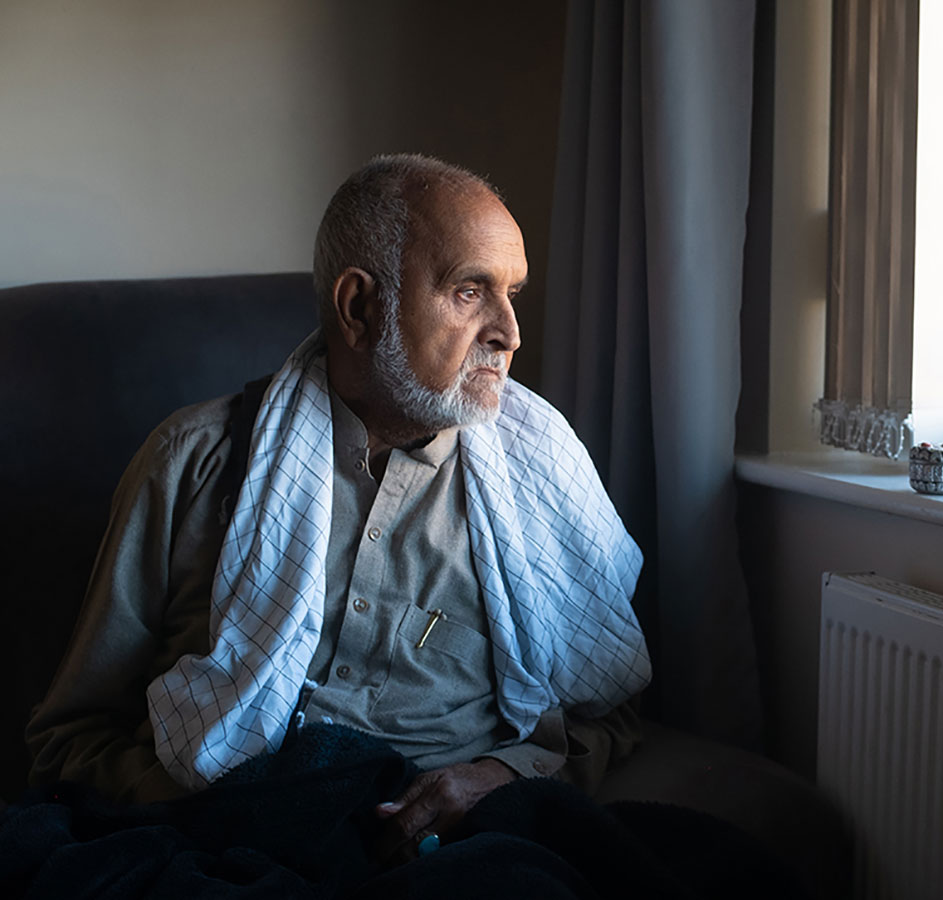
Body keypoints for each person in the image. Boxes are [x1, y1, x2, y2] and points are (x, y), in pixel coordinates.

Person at [24, 154, 651, 861]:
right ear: (359, 308)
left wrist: (502, 777)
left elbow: (609, 711)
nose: (509, 332)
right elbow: (70, 737)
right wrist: (221, 819)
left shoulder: (540, 474)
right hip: (221, 849)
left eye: (512, 294)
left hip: (450, 860)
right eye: (470, 291)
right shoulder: (193, 463)